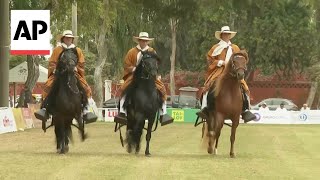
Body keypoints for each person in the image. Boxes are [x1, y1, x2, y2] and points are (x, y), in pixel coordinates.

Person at [34, 30, 97, 123]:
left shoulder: (77, 50)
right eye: (67, 37)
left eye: (70, 38)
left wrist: (77, 68)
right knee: (48, 85)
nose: (68, 39)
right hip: (59, 74)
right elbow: (52, 62)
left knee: (86, 87)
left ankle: (85, 110)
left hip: (73, 73)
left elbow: (81, 63)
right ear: (63, 38)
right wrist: (55, 69)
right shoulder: (57, 50)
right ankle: (45, 108)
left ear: (72, 39)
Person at [196, 26, 256, 122]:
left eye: (228, 34)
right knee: (208, 85)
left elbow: (240, 58)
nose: (226, 35)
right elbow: (209, 59)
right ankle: (204, 108)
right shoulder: (215, 47)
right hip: (219, 70)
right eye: (225, 34)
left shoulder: (235, 47)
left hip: (233, 72)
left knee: (245, 87)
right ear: (221, 35)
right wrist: (219, 62)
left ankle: (246, 110)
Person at [114, 32, 174, 126]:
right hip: (134, 75)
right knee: (124, 88)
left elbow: (156, 63)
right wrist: (134, 69)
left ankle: (163, 113)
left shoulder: (152, 51)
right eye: (142, 40)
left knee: (162, 88)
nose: (144, 42)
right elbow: (126, 64)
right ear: (139, 41)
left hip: (150, 76)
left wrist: (156, 73)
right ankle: (122, 112)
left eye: (146, 41)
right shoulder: (131, 52)